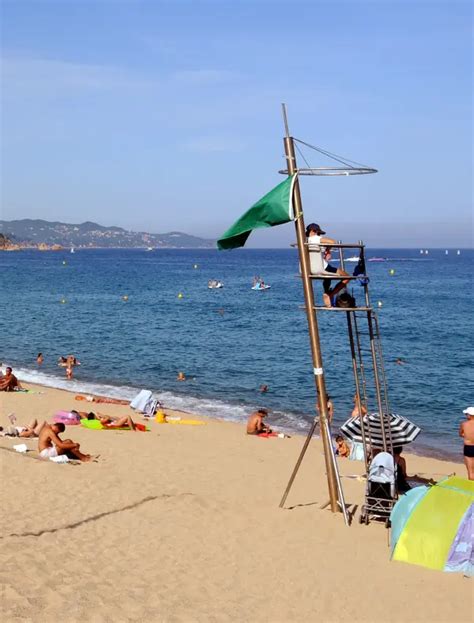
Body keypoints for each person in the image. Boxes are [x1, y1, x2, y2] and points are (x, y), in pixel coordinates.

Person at [306, 223, 350, 307]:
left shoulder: (304, 241)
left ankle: (326, 291)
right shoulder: (315, 238)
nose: (319, 235)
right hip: (321, 267)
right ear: (313, 231)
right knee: (347, 277)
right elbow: (332, 242)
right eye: (318, 233)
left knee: (327, 276)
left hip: (308, 268)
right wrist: (328, 250)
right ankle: (330, 294)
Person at [459, 407, 474, 480]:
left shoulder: (464, 424)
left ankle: (472, 488)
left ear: (470, 415)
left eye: (466, 414)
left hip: (469, 448)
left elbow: (461, 434)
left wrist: (467, 435)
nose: (465, 415)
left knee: (471, 472)